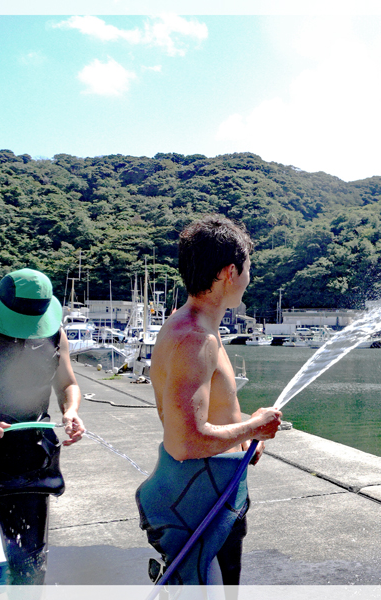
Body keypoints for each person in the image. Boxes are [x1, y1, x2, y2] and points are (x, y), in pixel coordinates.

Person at [135, 215, 282, 591]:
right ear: (230, 273)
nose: (250, 278)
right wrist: (255, 426)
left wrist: (245, 438)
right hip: (201, 500)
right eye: (248, 269)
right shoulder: (196, 339)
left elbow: (202, 419)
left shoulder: (188, 325)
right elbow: (184, 442)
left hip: (206, 492)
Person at [0, 268, 86, 596]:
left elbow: (68, 384)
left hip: (28, 463)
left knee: (30, 566)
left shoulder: (55, 335)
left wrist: (71, 410)